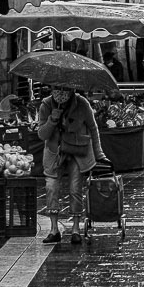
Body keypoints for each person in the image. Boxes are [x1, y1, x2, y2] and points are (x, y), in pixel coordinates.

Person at [37, 85, 109, 244]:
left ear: (72, 90)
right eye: (57, 88)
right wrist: (52, 120)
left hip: (77, 151)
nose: (61, 93)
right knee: (51, 187)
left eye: (65, 89)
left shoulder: (82, 103)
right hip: (54, 153)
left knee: (75, 188)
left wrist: (99, 154)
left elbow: (93, 128)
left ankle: (76, 229)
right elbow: (42, 134)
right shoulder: (46, 105)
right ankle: (54, 229)